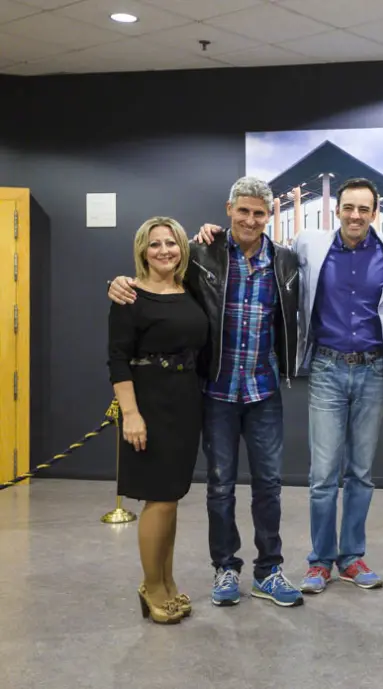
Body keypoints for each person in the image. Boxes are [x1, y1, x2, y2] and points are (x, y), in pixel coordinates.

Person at [197, 177, 383, 593]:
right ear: (337, 210)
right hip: (326, 370)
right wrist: (204, 234)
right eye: (348, 207)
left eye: (364, 209)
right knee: (324, 474)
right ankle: (318, 562)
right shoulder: (309, 245)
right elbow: (209, 256)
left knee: (362, 473)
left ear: (374, 213)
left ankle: (351, 557)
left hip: (370, 371)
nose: (355, 215)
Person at [108, 177, 304, 609]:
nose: (250, 220)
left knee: (269, 485)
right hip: (215, 390)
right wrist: (120, 282)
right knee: (219, 487)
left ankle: (269, 570)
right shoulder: (202, 254)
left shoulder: (286, 261)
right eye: (243, 211)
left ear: (269, 216)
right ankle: (225, 569)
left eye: (259, 213)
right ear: (229, 209)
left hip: (263, 390)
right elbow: (156, 277)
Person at [108, 217, 208, 624]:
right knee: (159, 499)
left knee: (170, 499)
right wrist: (130, 414)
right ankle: (151, 587)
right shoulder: (129, 295)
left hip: (185, 402)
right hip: (149, 404)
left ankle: (166, 581)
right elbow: (117, 359)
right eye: (155, 244)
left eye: (172, 243)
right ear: (142, 251)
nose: (164, 250)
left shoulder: (190, 291)